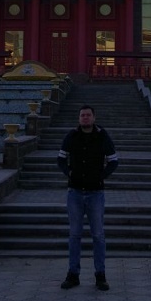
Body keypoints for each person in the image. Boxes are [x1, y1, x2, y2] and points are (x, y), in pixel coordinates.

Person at [57, 105, 119, 290]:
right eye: (82, 115)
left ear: (94, 117)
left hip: (95, 193)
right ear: (79, 118)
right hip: (75, 192)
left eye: (88, 115)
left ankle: (100, 275)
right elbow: (61, 158)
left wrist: (101, 176)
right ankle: (73, 274)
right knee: (74, 234)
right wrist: (68, 172)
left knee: (98, 235)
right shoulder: (72, 136)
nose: (85, 118)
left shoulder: (102, 136)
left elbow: (114, 160)